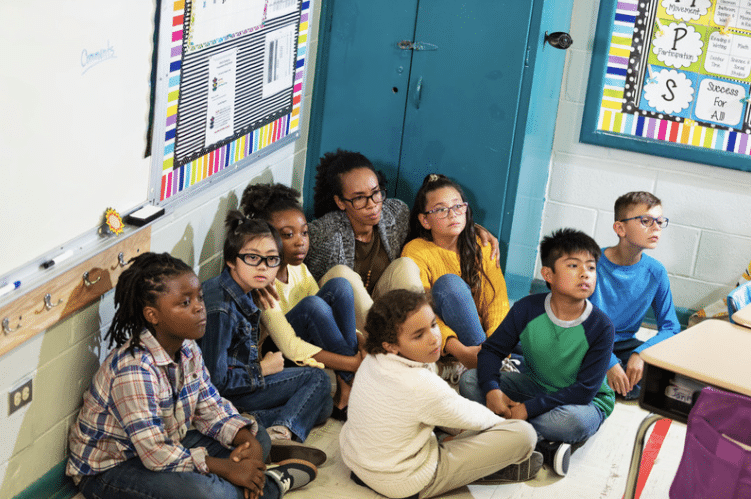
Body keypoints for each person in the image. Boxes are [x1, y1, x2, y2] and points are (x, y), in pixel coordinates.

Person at [66, 252, 317, 499]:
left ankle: (240, 483)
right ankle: (269, 485)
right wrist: (227, 467)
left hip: (171, 441)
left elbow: (210, 406)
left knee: (258, 437)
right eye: (185, 303)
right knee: (211, 493)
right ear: (153, 315)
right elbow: (155, 453)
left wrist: (243, 438)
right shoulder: (134, 370)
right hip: (112, 468)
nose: (199, 308)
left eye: (199, 298)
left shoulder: (187, 347)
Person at [340, 289, 540, 499]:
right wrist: (505, 421)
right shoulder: (420, 384)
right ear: (390, 346)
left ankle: (456, 444)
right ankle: (477, 465)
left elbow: (446, 408)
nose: (434, 339)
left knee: (448, 415)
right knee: (524, 434)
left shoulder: (372, 360)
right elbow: (474, 417)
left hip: (357, 463)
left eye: (434, 325)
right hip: (402, 481)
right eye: (419, 335)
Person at [460, 228, 615, 477]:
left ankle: (504, 431)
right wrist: (492, 390)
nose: (585, 273)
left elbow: (584, 390)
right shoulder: (528, 308)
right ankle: (542, 443)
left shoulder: (601, 326)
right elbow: (491, 350)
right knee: (469, 381)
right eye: (573, 266)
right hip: (534, 385)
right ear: (548, 274)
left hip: (583, 403)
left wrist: (528, 409)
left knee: (571, 423)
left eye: (591, 267)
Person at [306, 149, 500, 329]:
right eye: (359, 198)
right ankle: (383, 346)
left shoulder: (395, 213)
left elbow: (432, 223)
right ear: (340, 201)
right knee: (342, 274)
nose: (372, 204)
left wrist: (473, 228)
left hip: (385, 308)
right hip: (345, 321)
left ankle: (421, 345)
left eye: (375, 193)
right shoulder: (324, 234)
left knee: (405, 265)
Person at [200, 212, 332, 443]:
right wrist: (263, 368)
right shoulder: (221, 310)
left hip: (240, 391)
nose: (263, 268)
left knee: (323, 406)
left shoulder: (243, 287)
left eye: (271, 260)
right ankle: (280, 432)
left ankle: (249, 422)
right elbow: (215, 383)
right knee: (318, 381)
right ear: (231, 260)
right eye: (253, 258)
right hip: (224, 397)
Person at [241, 182, 363, 420]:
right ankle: (351, 381)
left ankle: (346, 387)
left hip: (306, 346)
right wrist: (353, 363)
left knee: (339, 286)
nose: (300, 241)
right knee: (311, 307)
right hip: (278, 355)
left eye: (304, 232)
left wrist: (362, 340)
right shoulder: (261, 282)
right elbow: (289, 346)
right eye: (288, 235)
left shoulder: (299, 270)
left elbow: (328, 317)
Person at [402, 173, 510, 371]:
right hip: (449, 345)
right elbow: (422, 313)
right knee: (449, 284)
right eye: (441, 209)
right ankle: (493, 368)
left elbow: (497, 304)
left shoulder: (483, 245)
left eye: (458, 206)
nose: (453, 214)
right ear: (425, 220)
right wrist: (459, 350)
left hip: (485, 342)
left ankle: (494, 364)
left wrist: (497, 348)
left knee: (536, 330)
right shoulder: (416, 251)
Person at [589, 191, 680, 400]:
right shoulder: (591, 265)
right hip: (586, 342)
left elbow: (671, 327)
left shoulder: (655, 272)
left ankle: (608, 385)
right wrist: (609, 363)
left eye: (660, 221)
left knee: (667, 381)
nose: (656, 227)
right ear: (620, 228)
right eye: (646, 221)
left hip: (624, 345)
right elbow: (576, 323)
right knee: (575, 368)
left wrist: (642, 353)